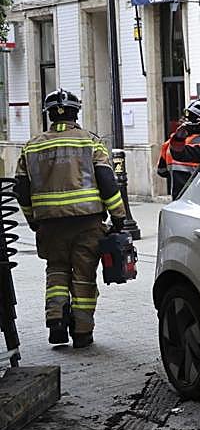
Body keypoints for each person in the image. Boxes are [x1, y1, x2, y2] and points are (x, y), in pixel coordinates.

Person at [15, 89, 127, 347]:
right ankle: (82, 332)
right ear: (77, 112)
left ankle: (55, 320)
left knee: (56, 270)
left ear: (49, 115)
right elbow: (107, 182)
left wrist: (32, 219)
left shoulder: (32, 146)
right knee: (84, 276)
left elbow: (20, 188)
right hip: (87, 224)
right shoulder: (90, 142)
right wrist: (119, 218)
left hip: (49, 225)